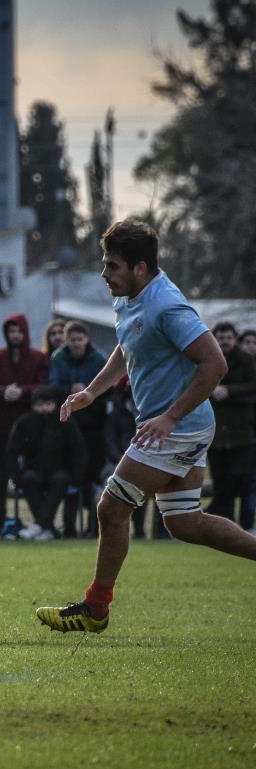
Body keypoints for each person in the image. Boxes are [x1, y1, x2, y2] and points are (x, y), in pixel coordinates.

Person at [37, 219, 256, 634]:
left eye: (112, 266)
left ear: (140, 268)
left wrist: (169, 416)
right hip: (183, 426)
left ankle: (95, 608)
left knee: (111, 508)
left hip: (179, 428)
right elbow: (126, 347)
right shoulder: (129, 298)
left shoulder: (166, 306)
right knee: (184, 522)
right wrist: (93, 391)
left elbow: (215, 364)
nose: (104, 273)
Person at [0, 313, 50, 535]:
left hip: (30, 428)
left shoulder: (38, 358)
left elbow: (43, 385)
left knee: (31, 475)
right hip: (1, 427)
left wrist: (21, 392)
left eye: (19, 331)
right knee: (0, 477)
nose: (15, 335)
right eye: (11, 331)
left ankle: (41, 523)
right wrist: (4, 392)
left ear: (25, 332)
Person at [49, 320, 108, 536]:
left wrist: (89, 391)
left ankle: (94, 526)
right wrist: (70, 389)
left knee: (92, 477)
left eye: (79, 339)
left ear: (86, 339)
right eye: (72, 339)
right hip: (67, 424)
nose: (76, 343)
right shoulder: (58, 358)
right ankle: (69, 527)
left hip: (93, 426)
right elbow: (53, 386)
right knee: (72, 477)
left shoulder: (98, 358)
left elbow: (107, 387)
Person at [7, 386, 85, 540]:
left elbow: (78, 450)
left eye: (48, 404)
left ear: (55, 404)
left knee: (61, 480)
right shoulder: (24, 422)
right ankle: (47, 527)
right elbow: (11, 452)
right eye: (40, 405)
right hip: (33, 470)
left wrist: (77, 476)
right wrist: (17, 477)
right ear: (33, 406)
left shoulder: (66, 421)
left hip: (60, 471)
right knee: (29, 479)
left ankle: (39, 525)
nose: (45, 408)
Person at [206, 322, 256, 522]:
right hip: (215, 432)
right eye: (221, 338)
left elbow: (253, 384)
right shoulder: (207, 358)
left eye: (228, 338)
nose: (225, 342)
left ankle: (238, 523)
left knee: (238, 478)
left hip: (241, 432)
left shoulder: (246, 360)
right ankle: (223, 523)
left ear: (235, 339)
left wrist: (229, 391)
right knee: (219, 478)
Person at [103, 382, 146, 539]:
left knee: (143, 485)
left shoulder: (151, 414)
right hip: (117, 463)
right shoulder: (116, 415)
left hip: (146, 463)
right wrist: (123, 460)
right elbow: (110, 441)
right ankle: (110, 528)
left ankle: (141, 529)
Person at [239, 329, 256, 531]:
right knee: (246, 482)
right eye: (247, 341)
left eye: (254, 342)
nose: (250, 345)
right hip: (245, 434)